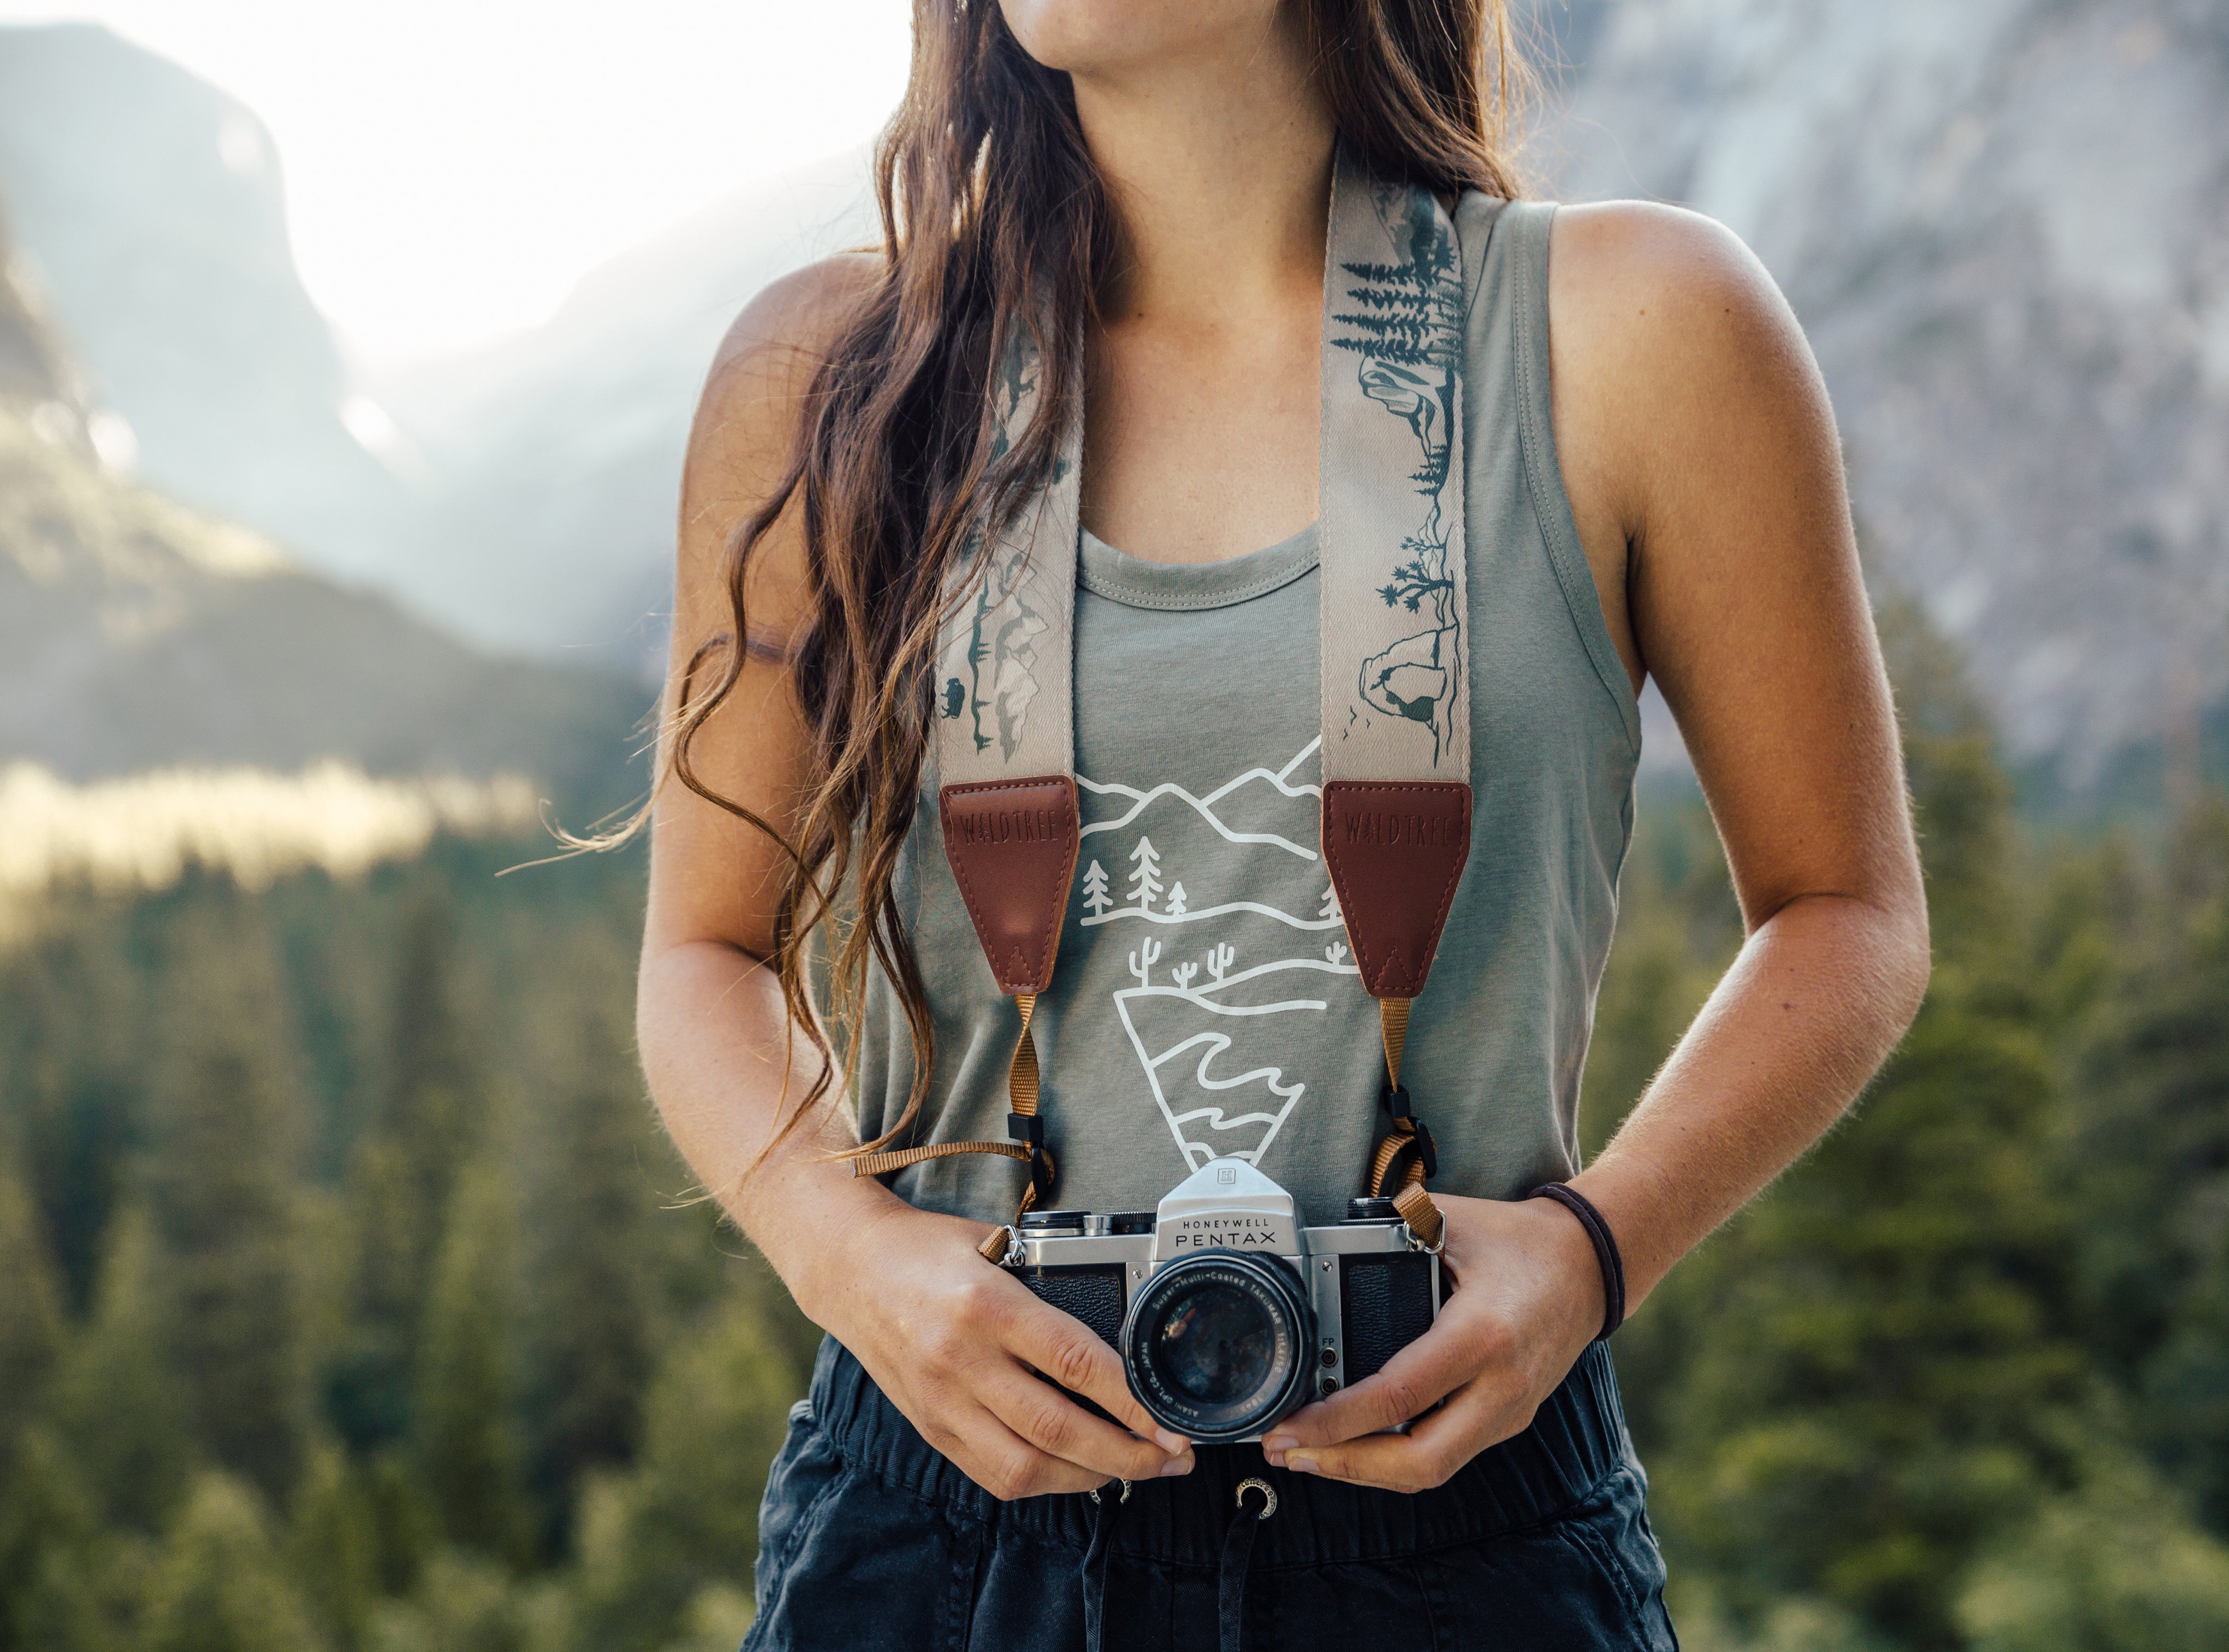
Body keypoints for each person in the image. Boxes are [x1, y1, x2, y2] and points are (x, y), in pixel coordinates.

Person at [634, 2, 1929, 1648]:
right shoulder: (831, 376)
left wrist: (1594, 1258)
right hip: (946, 1514)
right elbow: (702, 949)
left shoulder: (1637, 328)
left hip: (1453, 1504)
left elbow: (1843, 908)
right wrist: (852, 1263)